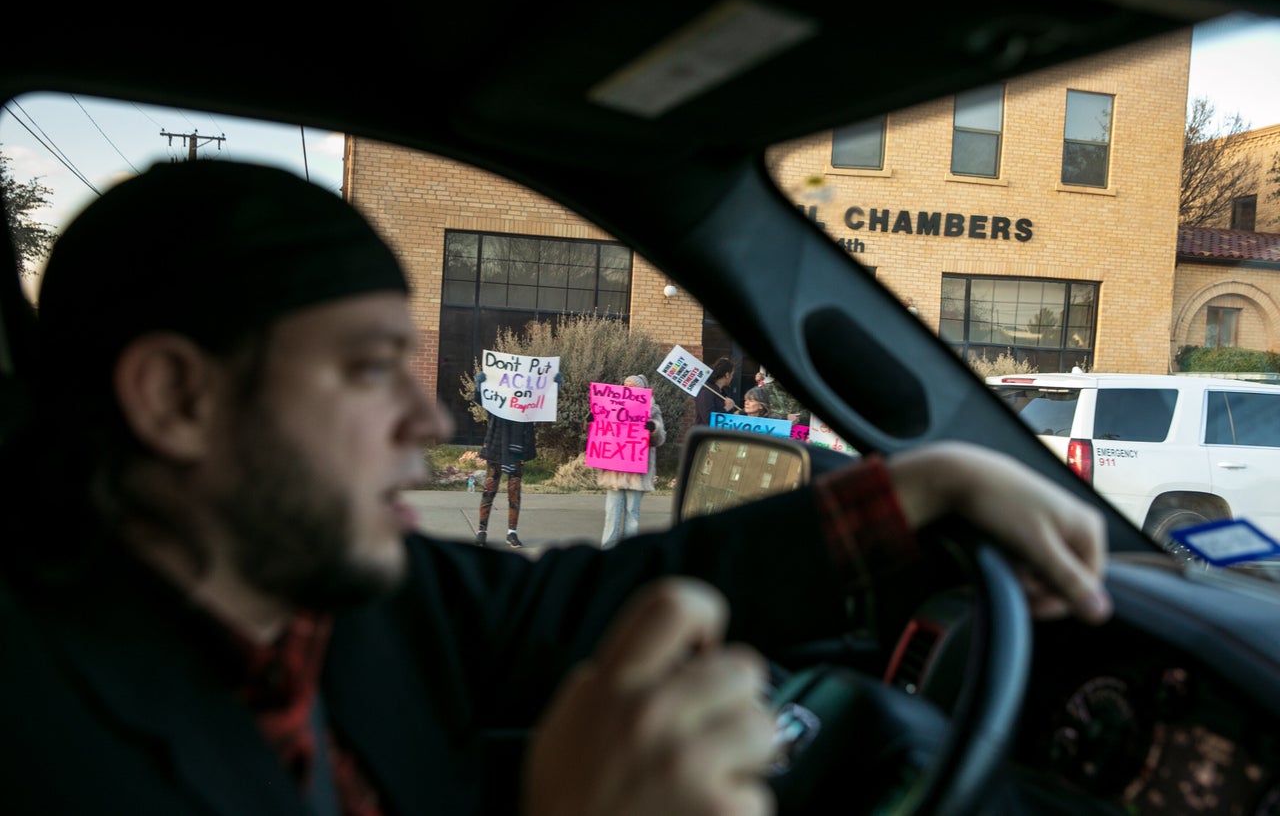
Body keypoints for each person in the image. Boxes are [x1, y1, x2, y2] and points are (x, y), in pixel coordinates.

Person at [0, 159, 1113, 815]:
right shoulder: (40, 737)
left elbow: (591, 599)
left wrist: (917, 487)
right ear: (177, 400)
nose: (431, 419)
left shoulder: (328, 599)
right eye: (365, 368)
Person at [594, 374, 666, 548]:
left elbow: (660, 438)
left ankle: (628, 551)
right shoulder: (612, 407)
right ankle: (607, 549)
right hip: (615, 471)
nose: (628, 389)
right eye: (625, 385)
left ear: (641, 390)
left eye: (633, 386)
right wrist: (592, 420)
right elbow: (600, 432)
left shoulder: (652, 410)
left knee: (632, 513)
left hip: (637, 472)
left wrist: (653, 429)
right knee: (612, 512)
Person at [472, 372, 539, 548]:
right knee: (489, 491)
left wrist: (554, 386)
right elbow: (482, 400)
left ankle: (512, 533)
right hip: (496, 448)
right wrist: (480, 386)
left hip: (517, 452)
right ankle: (481, 531)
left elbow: (543, 405)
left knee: (514, 493)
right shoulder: (498, 400)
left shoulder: (527, 402)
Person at [694, 356, 738, 426]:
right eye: (732, 374)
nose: (732, 377)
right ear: (727, 375)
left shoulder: (723, 392)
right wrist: (726, 408)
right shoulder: (706, 391)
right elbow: (708, 419)